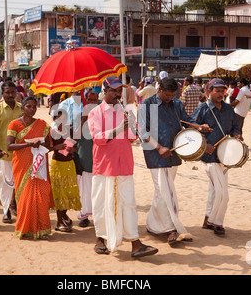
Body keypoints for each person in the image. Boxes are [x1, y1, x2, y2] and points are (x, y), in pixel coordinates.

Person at [87, 76, 158, 258]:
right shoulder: (95, 112)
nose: (117, 94)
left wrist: (134, 127)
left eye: (119, 91)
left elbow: (133, 137)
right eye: (113, 91)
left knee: (128, 204)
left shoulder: (126, 111)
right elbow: (97, 138)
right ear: (104, 92)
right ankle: (100, 239)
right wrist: (118, 129)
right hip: (104, 166)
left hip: (124, 164)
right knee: (102, 203)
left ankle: (135, 242)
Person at [137, 78, 212, 246]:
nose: (169, 98)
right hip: (155, 153)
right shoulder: (146, 105)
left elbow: (186, 120)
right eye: (167, 95)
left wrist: (199, 127)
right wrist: (159, 148)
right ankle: (171, 229)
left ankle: (153, 225)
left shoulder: (176, 104)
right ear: (159, 90)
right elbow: (143, 131)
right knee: (167, 191)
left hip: (174, 152)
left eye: (172, 95)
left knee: (162, 190)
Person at [192, 78, 241, 236]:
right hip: (208, 157)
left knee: (214, 190)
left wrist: (236, 134)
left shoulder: (228, 109)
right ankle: (217, 223)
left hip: (224, 155)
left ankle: (208, 219)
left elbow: (235, 126)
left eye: (222, 91)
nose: (221, 94)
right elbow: (191, 131)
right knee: (222, 193)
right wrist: (204, 144)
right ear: (209, 91)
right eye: (217, 91)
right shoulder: (202, 109)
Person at [7, 96, 54, 239]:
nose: (32, 109)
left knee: (40, 197)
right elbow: (9, 146)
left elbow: (48, 145)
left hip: (39, 165)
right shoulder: (14, 124)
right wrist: (28, 144)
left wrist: (40, 144)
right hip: (22, 165)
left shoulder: (42, 124)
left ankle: (43, 229)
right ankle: (25, 229)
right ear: (22, 108)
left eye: (34, 107)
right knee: (25, 198)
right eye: (28, 106)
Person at [0, 81, 22, 223]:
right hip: (3, 154)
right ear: (2, 94)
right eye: (7, 92)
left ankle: (13, 205)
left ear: (16, 93)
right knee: (3, 184)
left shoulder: (22, 109)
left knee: (17, 183)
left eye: (12, 92)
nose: (10, 95)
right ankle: (5, 210)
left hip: (20, 153)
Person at [50, 111, 82, 232]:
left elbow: (76, 144)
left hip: (69, 164)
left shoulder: (70, 131)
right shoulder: (51, 132)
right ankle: (59, 222)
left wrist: (73, 149)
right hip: (57, 165)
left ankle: (64, 216)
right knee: (59, 193)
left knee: (68, 192)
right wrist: (55, 148)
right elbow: (46, 147)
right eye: (58, 119)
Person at [76, 91, 99, 227]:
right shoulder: (79, 116)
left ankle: (98, 217)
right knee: (84, 190)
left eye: (94, 100)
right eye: (89, 100)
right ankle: (84, 216)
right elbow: (74, 137)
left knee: (97, 190)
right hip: (84, 158)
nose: (91, 102)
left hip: (99, 160)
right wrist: (84, 120)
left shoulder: (102, 116)